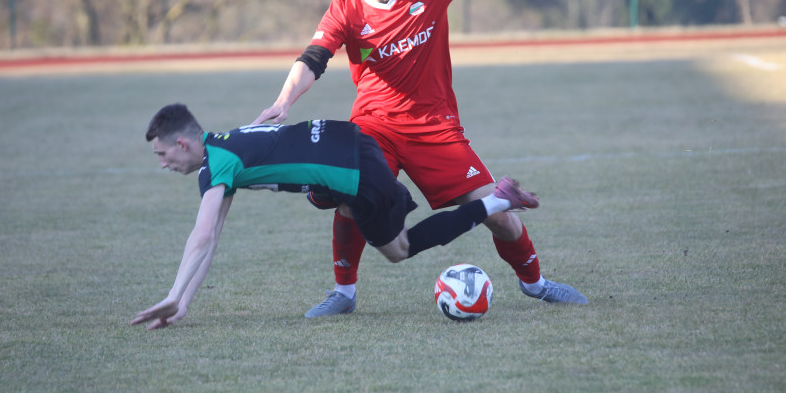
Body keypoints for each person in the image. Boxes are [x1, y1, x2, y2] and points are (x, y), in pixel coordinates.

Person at [253, 0, 588, 317]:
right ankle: (344, 293)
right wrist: (284, 101)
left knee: (497, 214)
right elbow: (313, 58)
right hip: (375, 128)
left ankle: (537, 285)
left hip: (435, 126)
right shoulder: (345, 9)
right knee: (352, 202)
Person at [131, 103, 543, 329]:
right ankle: (344, 288)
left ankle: (497, 200)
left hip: (352, 168)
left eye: (162, 154)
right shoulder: (222, 144)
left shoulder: (215, 166)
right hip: (344, 141)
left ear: (183, 144)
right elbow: (214, 236)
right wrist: (182, 303)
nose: (162, 163)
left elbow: (203, 236)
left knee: (398, 249)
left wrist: (171, 295)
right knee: (332, 201)